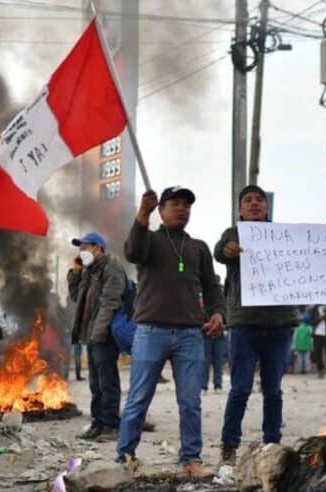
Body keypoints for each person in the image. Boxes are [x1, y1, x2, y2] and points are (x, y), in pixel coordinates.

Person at [215, 184, 326, 464]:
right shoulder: (233, 234)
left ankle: (272, 444)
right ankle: (229, 446)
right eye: (248, 200)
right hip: (244, 325)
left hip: (279, 325)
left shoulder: (285, 237)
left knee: (273, 391)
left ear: (267, 208)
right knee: (240, 389)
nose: (254, 204)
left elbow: (319, 257)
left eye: (259, 200)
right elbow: (219, 252)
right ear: (240, 209)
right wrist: (227, 250)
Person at [117, 186, 226, 477]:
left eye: (186, 205)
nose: (181, 209)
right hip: (151, 331)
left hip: (190, 334)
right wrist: (143, 213)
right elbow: (132, 251)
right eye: (174, 203)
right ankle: (125, 457)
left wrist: (218, 312)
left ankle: (191, 460)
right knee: (138, 399)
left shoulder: (199, 248)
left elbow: (212, 286)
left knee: (190, 402)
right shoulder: (149, 240)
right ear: (161, 209)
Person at [67, 231, 127, 441]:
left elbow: (110, 303)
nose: (81, 251)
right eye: (80, 248)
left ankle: (111, 425)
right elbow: (76, 298)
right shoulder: (89, 272)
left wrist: (98, 333)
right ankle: (98, 423)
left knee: (107, 382)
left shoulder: (112, 268)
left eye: (85, 247)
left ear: (98, 248)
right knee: (95, 383)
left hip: (104, 335)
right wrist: (75, 274)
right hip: (91, 336)